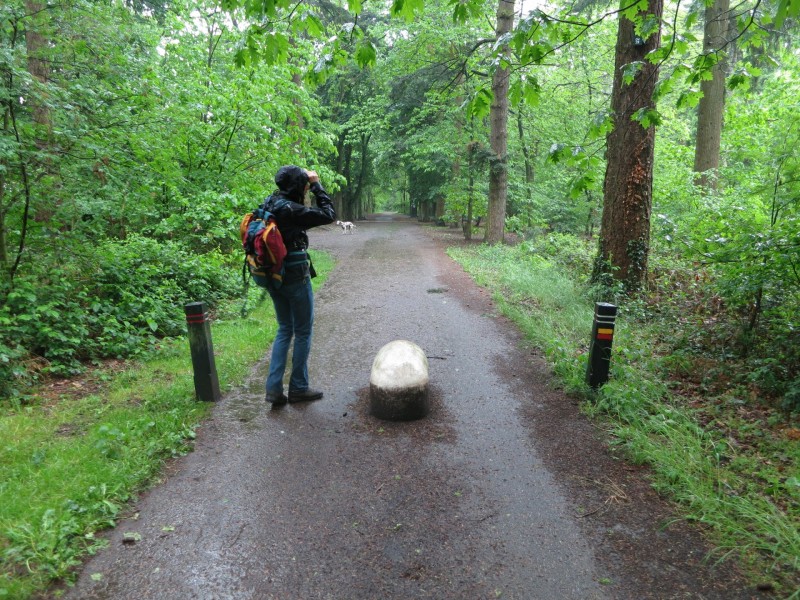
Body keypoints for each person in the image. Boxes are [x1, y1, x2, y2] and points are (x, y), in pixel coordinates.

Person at [262, 165, 335, 407]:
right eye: (304, 184)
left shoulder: (269, 203)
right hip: (294, 272)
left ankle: (273, 389)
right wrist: (317, 184)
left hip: (272, 274)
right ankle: (299, 388)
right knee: (302, 330)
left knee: (285, 328)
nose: (306, 188)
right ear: (298, 186)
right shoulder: (293, 210)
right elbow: (328, 214)